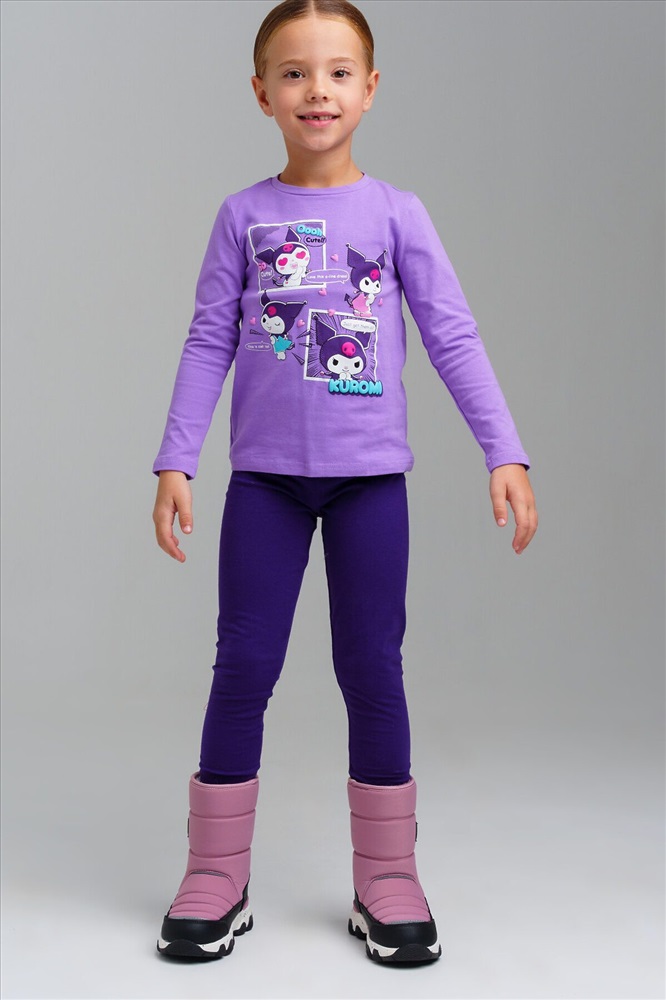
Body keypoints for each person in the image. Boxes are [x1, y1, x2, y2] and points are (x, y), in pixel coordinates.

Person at [151, 0, 538, 966]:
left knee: (372, 667)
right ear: (261, 94)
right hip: (265, 488)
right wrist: (175, 457)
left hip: (370, 487)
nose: (315, 90)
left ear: (369, 89)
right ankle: (215, 872)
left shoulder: (398, 214)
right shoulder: (242, 218)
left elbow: (452, 336)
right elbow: (206, 341)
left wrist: (504, 449)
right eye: (293, 73)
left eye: (336, 73)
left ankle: (388, 877)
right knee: (244, 664)